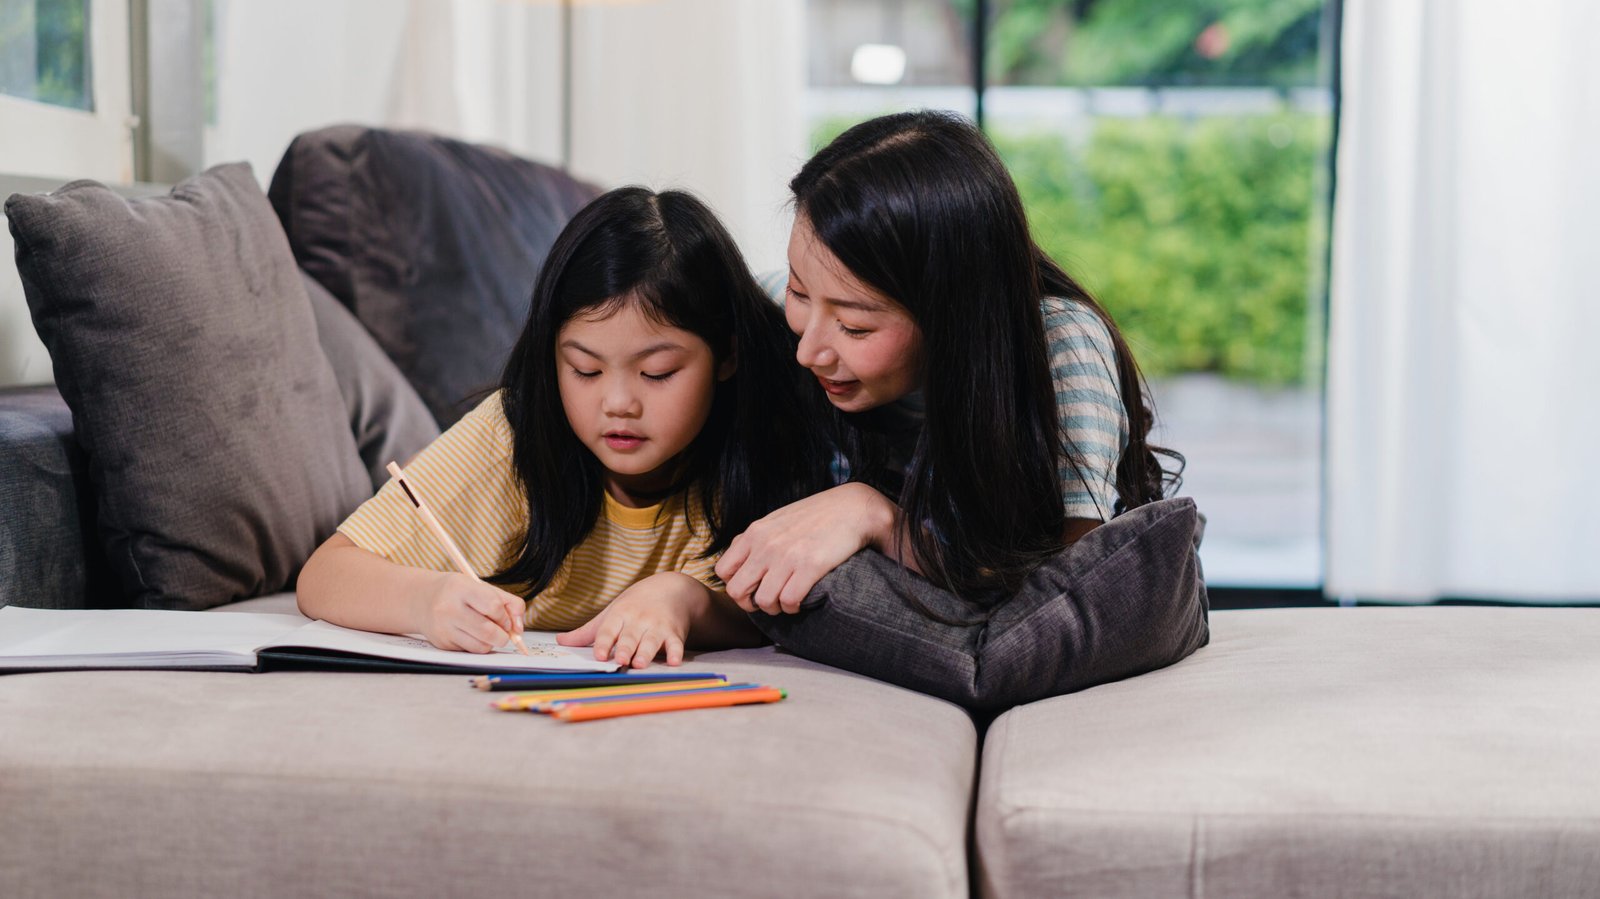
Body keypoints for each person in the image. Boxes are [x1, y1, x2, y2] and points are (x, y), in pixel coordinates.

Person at [713, 110, 1206, 709]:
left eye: (855, 326)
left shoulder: (1062, 349)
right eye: (798, 291)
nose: (809, 348)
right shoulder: (782, 317)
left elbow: (1062, 594)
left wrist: (874, 517)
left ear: (953, 314)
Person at [296, 186, 831, 669]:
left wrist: (683, 598)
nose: (618, 403)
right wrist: (424, 601)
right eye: (585, 370)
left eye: (657, 373)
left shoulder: (764, 439)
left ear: (727, 357)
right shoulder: (508, 435)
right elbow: (323, 576)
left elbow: (763, 610)